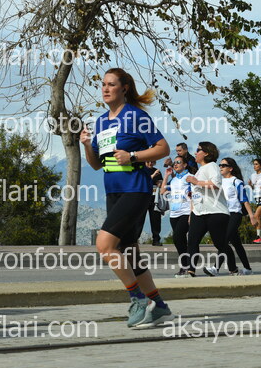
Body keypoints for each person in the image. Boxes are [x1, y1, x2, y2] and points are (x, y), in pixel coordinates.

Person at [80, 67, 173, 328]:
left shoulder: (136, 116)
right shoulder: (101, 121)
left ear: (124, 88)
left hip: (136, 188)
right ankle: (159, 306)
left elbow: (163, 148)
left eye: (111, 84)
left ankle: (138, 300)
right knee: (129, 253)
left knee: (104, 245)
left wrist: (132, 156)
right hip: (113, 191)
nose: (105, 89)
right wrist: (86, 145)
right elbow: (96, 164)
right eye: (103, 84)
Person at [185, 142, 237, 277]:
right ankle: (190, 270)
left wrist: (196, 182)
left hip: (215, 211)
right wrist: (192, 209)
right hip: (199, 212)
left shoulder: (212, 166)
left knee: (220, 243)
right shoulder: (199, 171)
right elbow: (198, 192)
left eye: (198, 150)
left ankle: (233, 268)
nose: (195, 153)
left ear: (206, 153)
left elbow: (215, 184)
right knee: (192, 241)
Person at [204, 157, 258, 276]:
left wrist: (252, 216)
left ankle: (215, 268)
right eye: (220, 165)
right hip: (223, 214)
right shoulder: (219, 181)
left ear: (230, 168)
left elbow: (244, 200)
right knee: (237, 244)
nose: (221, 167)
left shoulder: (236, 182)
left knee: (225, 240)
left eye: (223, 165)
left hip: (235, 214)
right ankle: (247, 269)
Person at [161, 155, 193, 278]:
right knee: (180, 240)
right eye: (174, 162)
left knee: (177, 237)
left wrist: (191, 214)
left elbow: (194, 196)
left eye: (178, 162)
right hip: (174, 213)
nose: (175, 164)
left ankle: (185, 266)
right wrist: (166, 176)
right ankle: (186, 266)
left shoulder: (189, 177)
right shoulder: (173, 180)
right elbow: (163, 191)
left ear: (185, 164)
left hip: (186, 212)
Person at [145, 160, 163, 246]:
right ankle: (134, 239)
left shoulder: (157, 171)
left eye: (152, 162)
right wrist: (152, 176)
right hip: (143, 197)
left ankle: (156, 239)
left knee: (156, 218)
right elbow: (143, 181)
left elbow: (161, 183)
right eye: (148, 162)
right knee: (139, 219)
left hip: (154, 198)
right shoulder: (142, 171)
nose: (150, 163)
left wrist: (159, 183)